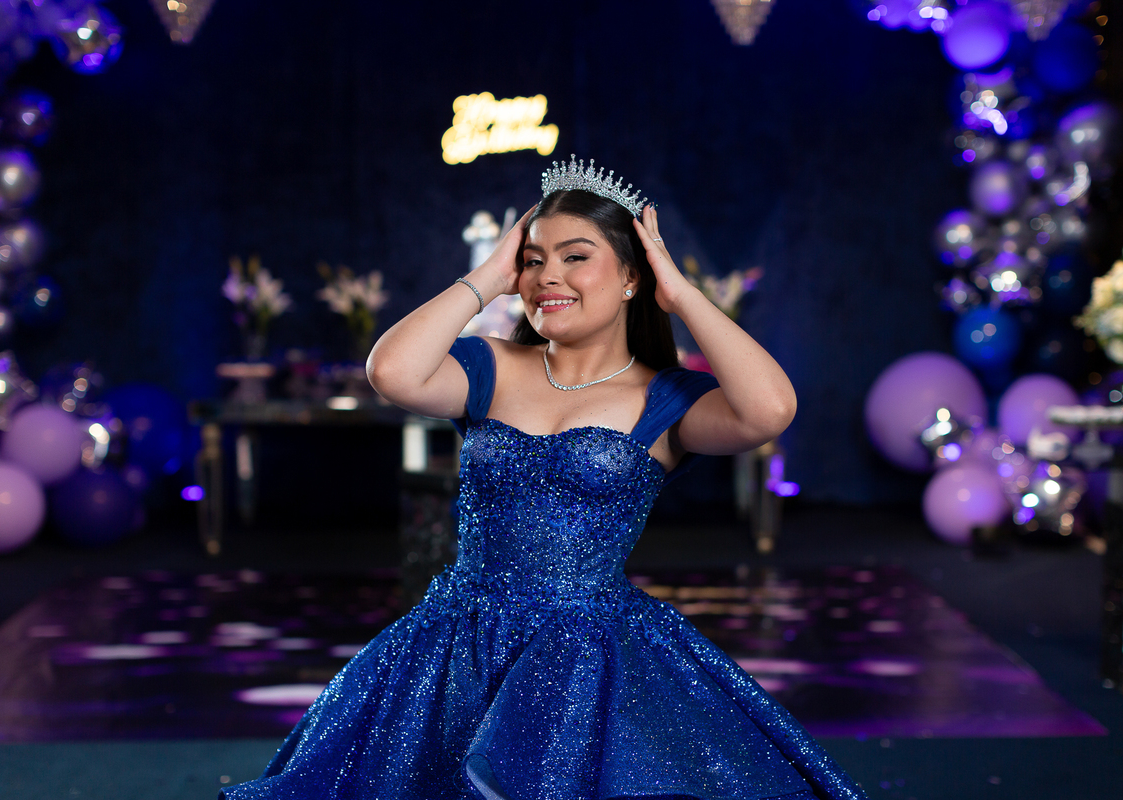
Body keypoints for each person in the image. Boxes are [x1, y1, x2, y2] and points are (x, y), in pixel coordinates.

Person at [221, 157, 866, 800]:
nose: (547, 276)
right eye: (533, 260)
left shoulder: (665, 399)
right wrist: (487, 278)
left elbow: (769, 410)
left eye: (575, 257)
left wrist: (683, 295)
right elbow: (390, 372)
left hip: (588, 660)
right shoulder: (489, 365)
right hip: (459, 644)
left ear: (632, 278)